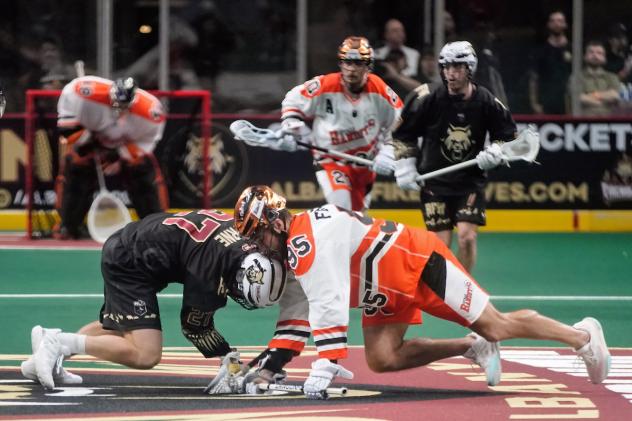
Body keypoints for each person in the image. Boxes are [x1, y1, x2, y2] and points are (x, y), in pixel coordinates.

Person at [230, 185, 611, 400]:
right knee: (382, 359)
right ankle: (469, 346)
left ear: (277, 221)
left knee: (496, 325)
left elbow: (327, 300)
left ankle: (582, 337)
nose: (259, 245)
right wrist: (272, 364)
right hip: (383, 291)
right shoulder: (297, 243)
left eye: (258, 233)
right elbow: (298, 308)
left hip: (419, 264)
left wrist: (327, 361)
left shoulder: (304, 242)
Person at [21, 209, 287, 390]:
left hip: (143, 245)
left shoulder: (249, 238)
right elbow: (194, 325)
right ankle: (58, 343)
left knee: (120, 326)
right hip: (131, 260)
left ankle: (48, 347)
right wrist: (228, 360)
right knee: (146, 353)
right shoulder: (209, 271)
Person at [391, 41, 516, 273]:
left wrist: (496, 152)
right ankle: (444, 292)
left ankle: (465, 291)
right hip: (434, 183)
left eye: (457, 67)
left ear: (470, 69)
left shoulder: (487, 101)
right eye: (446, 67)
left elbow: (508, 136)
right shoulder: (425, 97)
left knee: (467, 238)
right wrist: (405, 166)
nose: (451, 73)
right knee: (440, 245)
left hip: (469, 182)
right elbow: (401, 136)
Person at [272, 36, 403, 212]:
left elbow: (400, 119)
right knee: (341, 209)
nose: (352, 69)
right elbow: (293, 100)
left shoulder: (379, 90)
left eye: (358, 63)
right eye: (347, 62)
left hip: (364, 164)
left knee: (357, 217)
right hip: (330, 159)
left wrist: (388, 151)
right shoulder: (325, 85)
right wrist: (293, 126)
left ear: (368, 66)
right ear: (341, 63)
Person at [54, 75, 169, 239]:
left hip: (125, 145)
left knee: (143, 175)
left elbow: (146, 145)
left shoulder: (151, 110)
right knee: (76, 170)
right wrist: (85, 142)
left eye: (123, 106)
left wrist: (119, 155)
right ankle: (68, 225)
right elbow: (66, 130)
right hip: (90, 140)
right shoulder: (81, 91)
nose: (118, 109)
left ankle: (155, 228)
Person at [528, 11, 572, 114]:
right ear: (548, 25)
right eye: (553, 21)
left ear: (565, 25)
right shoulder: (540, 51)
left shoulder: (573, 49)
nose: (557, 24)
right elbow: (534, 79)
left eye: (560, 21)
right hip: (546, 102)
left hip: (568, 102)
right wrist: (534, 103)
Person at [575, 40, 622, 116]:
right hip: (583, 120)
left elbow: (614, 95)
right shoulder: (576, 77)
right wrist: (602, 100)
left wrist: (592, 96)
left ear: (604, 58)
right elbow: (578, 98)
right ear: (585, 56)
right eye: (591, 52)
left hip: (609, 121)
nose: (595, 56)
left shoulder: (612, 77)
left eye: (599, 53)